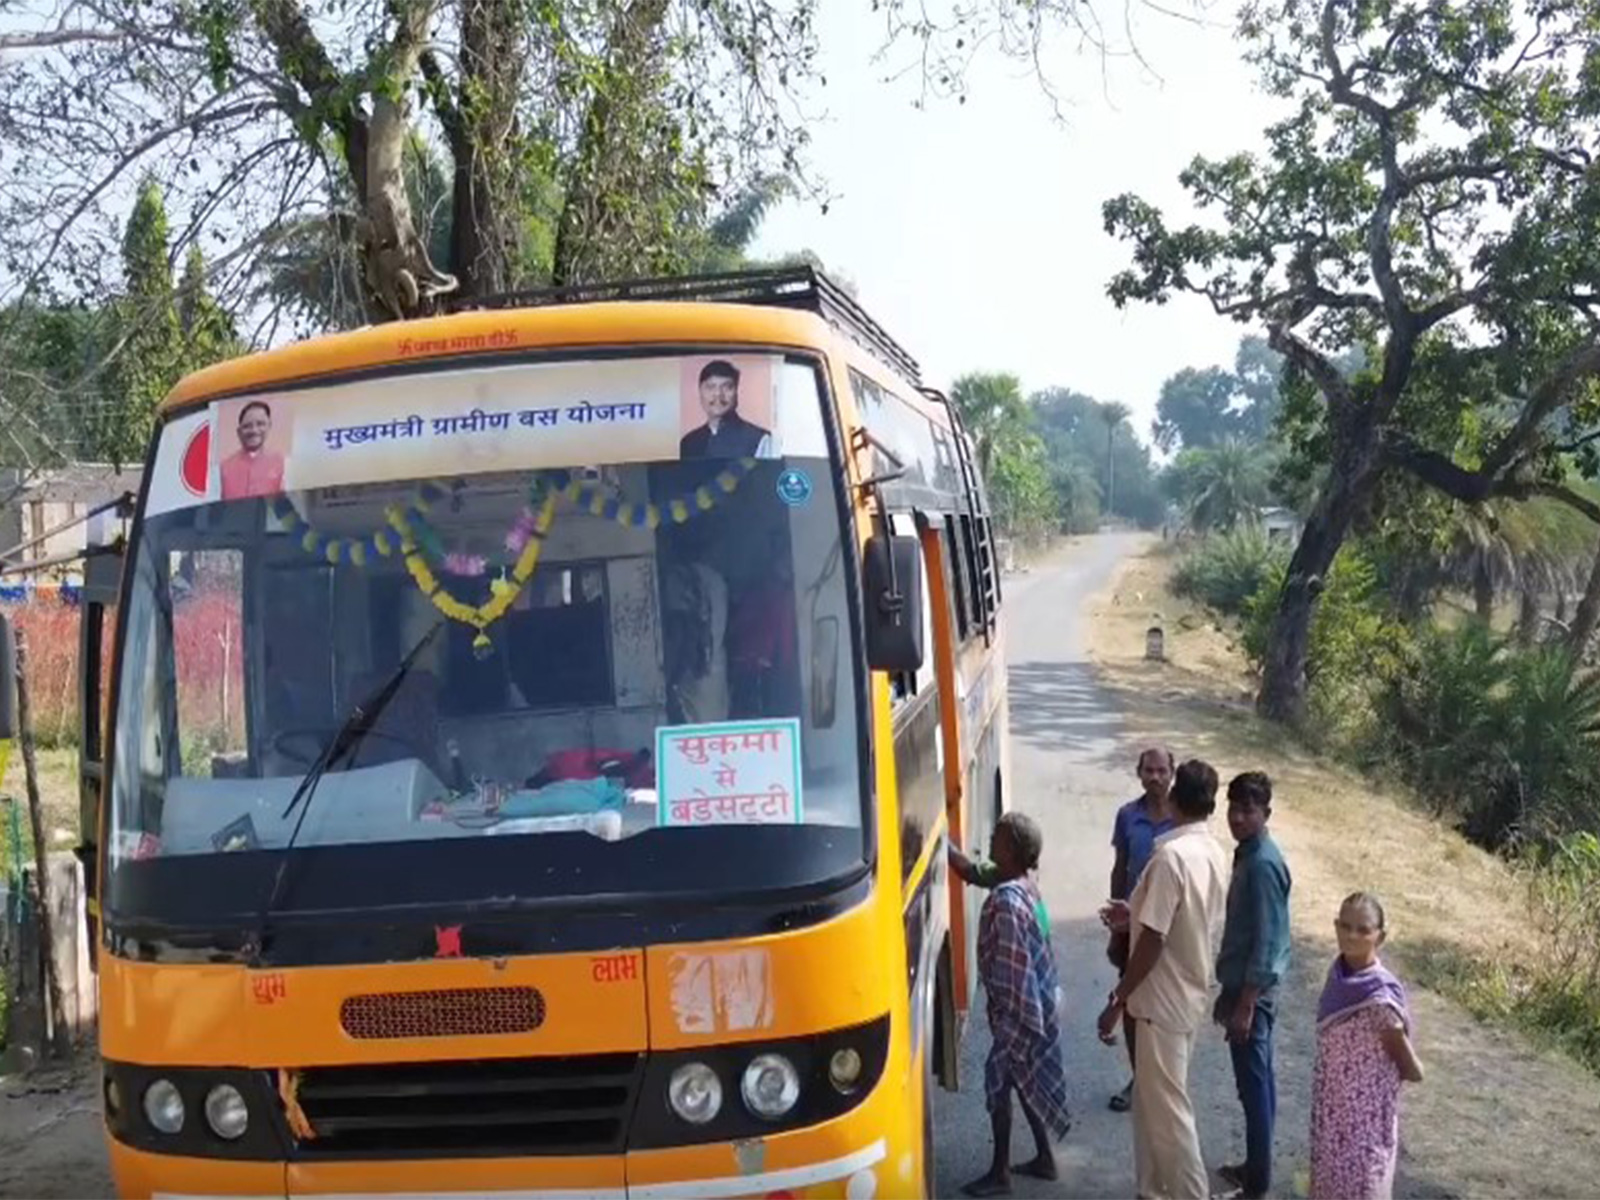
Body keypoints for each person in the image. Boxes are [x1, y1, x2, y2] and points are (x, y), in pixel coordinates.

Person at [1097, 759, 1229, 1200]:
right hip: (1186, 993)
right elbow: (1172, 918)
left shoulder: (1170, 856)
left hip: (1159, 1002)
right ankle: (1152, 1190)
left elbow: (1153, 941)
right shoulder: (1210, 849)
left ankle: (1191, 1194)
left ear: (1174, 797)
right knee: (1152, 1107)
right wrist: (1131, 915)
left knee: (1170, 1113)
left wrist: (1118, 998)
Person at [962, 811, 1072, 1198]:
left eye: (997, 837)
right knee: (1023, 1081)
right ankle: (1044, 1158)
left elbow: (1013, 973)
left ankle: (1000, 1173)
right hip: (1042, 999)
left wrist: (1015, 1019)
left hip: (1023, 1010)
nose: (990, 839)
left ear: (1009, 849)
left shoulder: (1007, 902)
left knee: (1001, 1079)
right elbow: (971, 871)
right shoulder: (1025, 882)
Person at [1311, 892, 1424, 1200]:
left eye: (1363, 930)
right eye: (1345, 926)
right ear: (1335, 926)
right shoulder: (1338, 976)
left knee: (1363, 1188)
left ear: (1380, 936)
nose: (1352, 936)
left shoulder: (1380, 998)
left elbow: (1411, 1068)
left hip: (1365, 1122)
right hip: (1331, 1111)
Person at [1214, 771, 1292, 1200]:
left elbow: (1268, 943)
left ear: (1266, 813)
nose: (1239, 817)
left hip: (1253, 993)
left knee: (1254, 1086)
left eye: (1249, 810)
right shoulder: (1248, 852)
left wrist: (1244, 1004)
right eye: (1234, 808)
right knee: (1258, 1083)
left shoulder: (1263, 864)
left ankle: (1257, 1186)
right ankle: (1254, 1167)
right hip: (1244, 987)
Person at [1107, 746, 1176, 1112]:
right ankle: (1139, 1078)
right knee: (1132, 1003)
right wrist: (1116, 920)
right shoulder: (1127, 816)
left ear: (1172, 773)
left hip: (1168, 930)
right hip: (1132, 926)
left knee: (1164, 1008)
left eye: (1161, 770)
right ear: (1138, 773)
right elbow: (1120, 866)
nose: (1155, 777)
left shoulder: (1182, 821)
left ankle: (1163, 1083)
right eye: (1148, 770)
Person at [679, 360, 776, 459]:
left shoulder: (760, 440)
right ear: (700, 392)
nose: (718, 394)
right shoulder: (688, 443)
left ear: (737, 392)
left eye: (727, 387)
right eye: (710, 387)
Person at [219, 400, 286, 498]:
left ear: (269, 426)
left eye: (260, 424)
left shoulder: (281, 462)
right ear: (239, 432)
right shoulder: (224, 467)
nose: (254, 430)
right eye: (247, 426)